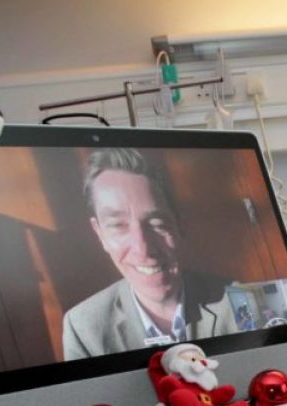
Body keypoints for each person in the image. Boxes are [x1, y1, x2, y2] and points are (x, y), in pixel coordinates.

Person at [62, 148, 240, 360]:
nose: (143, 249)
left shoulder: (239, 303)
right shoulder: (82, 328)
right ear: (99, 233)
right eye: (118, 225)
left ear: (179, 224)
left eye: (157, 223)